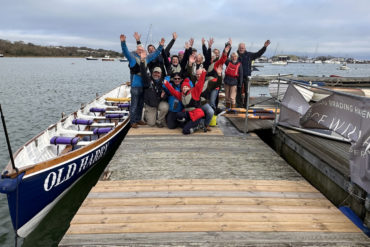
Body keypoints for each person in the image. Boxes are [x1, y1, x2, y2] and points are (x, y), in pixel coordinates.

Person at [120, 33, 165, 128]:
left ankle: (138, 119)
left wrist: (161, 45)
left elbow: (156, 53)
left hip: (143, 86)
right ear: (136, 51)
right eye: (139, 50)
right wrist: (123, 42)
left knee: (140, 104)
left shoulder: (146, 59)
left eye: (142, 51)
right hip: (136, 85)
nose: (141, 52)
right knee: (134, 104)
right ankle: (133, 122)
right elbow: (125, 52)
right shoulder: (132, 58)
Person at [164, 70, 207, 135]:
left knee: (185, 131)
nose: (184, 88)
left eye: (186, 87)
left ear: (189, 88)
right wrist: (166, 84)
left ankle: (197, 126)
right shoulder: (182, 95)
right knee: (179, 115)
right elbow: (173, 91)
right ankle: (189, 123)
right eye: (183, 87)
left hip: (196, 114)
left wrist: (203, 74)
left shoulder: (194, 92)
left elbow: (200, 84)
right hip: (189, 113)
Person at [237, 40, 270, 107]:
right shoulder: (235, 55)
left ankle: (246, 105)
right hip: (238, 76)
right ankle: (239, 105)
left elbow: (258, 54)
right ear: (238, 48)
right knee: (238, 92)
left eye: (242, 48)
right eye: (240, 48)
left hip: (247, 76)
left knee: (247, 91)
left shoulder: (249, 55)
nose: (241, 49)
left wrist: (264, 47)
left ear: (245, 48)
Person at [140, 56, 169, 127]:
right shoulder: (147, 80)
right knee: (151, 124)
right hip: (150, 105)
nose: (156, 74)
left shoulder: (163, 82)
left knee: (165, 107)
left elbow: (167, 94)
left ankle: (159, 120)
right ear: (152, 73)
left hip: (159, 102)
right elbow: (143, 72)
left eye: (158, 73)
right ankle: (147, 115)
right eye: (155, 72)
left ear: (161, 74)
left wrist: (164, 96)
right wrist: (142, 62)